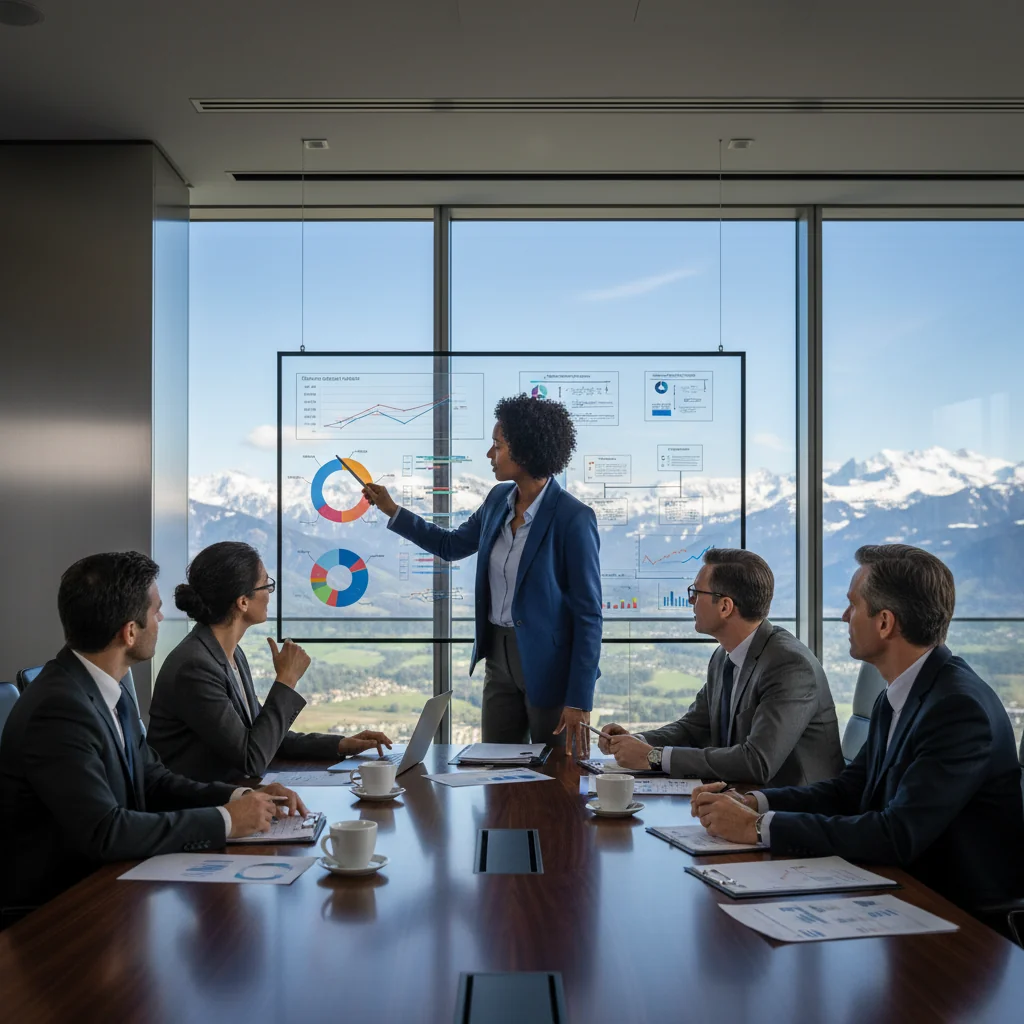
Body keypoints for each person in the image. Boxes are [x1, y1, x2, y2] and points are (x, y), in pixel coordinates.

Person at [692, 543, 1024, 914]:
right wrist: (756, 803)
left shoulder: (958, 710)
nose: (844, 617)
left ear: (885, 622)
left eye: (853, 605)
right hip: (899, 892)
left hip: (956, 919)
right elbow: (850, 789)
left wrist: (758, 828)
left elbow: (897, 834)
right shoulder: (899, 691)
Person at [0, 552, 306, 916]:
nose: (161, 619)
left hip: (114, 888)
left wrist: (242, 795)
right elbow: (106, 831)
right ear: (130, 632)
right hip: (61, 911)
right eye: (155, 611)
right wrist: (226, 820)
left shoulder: (105, 687)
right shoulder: (58, 709)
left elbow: (153, 780)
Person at [362, 394, 602, 755]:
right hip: (498, 658)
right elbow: (450, 545)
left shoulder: (574, 518)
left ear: (524, 450)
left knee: (556, 781)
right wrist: (393, 510)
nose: (490, 455)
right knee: (496, 769)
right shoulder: (496, 500)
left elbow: (589, 616)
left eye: (497, 445)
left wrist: (579, 699)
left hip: (551, 670)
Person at [149, 542, 392, 784]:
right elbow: (252, 758)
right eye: (266, 584)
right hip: (199, 810)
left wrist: (341, 744)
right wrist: (286, 679)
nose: (269, 594)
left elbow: (261, 735)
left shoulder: (230, 653)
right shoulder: (195, 667)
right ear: (243, 602)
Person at [599, 548, 843, 785]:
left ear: (725, 606)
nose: (690, 600)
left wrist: (654, 757)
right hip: (743, 796)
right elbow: (694, 727)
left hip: (793, 810)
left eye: (696, 592)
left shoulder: (789, 665)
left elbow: (757, 761)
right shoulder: (722, 656)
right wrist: (637, 741)